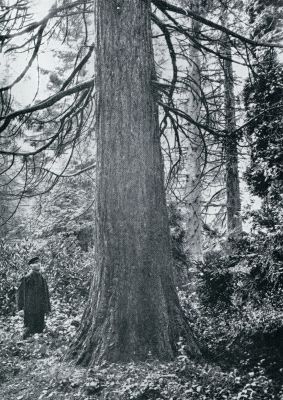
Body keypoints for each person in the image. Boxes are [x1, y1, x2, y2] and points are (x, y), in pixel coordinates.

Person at [17, 256, 51, 339]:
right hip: (30, 309)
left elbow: (46, 295)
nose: (38, 264)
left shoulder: (42, 278)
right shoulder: (27, 278)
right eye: (35, 263)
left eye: (39, 262)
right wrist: (20, 308)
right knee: (29, 329)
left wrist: (47, 308)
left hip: (40, 309)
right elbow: (20, 294)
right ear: (31, 266)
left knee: (39, 330)